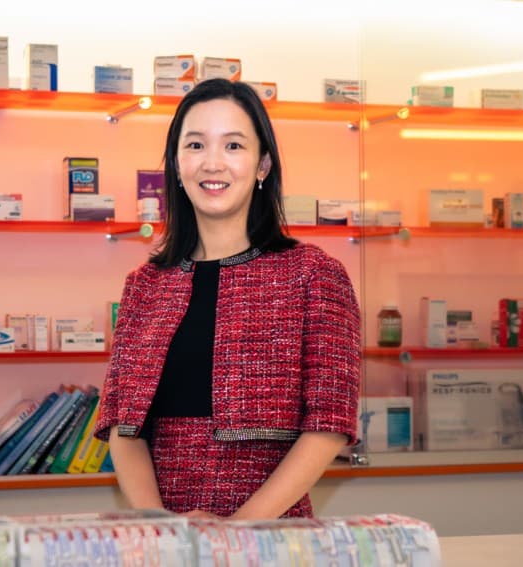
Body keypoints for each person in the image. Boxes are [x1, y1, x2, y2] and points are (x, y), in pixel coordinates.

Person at [93, 78, 360, 520]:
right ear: (177, 166)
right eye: (195, 146)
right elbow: (124, 426)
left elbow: (328, 426)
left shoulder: (314, 274)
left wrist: (237, 531)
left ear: (262, 165)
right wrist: (164, 528)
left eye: (234, 146)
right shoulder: (144, 285)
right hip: (165, 540)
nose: (212, 163)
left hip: (271, 536)